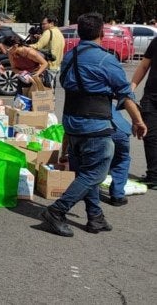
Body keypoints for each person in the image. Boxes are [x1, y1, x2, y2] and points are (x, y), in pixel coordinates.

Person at [40, 13, 147, 237]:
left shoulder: (70, 56)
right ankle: (57, 211)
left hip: (72, 123)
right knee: (95, 175)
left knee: (85, 172)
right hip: (94, 125)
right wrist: (138, 121)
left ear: (79, 32)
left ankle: (95, 216)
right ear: (102, 33)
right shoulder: (105, 60)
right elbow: (125, 95)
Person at [130, 36, 157, 188]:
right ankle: (153, 176)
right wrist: (132, 86)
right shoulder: (156, 41)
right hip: (151, 97)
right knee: (150, 136)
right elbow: (144, 66)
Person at [104, 103, 132, 206]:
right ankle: (117, 195)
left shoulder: (75, 92)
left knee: (91, 162)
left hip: (95, 129)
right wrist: (138, 122)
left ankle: (88, 194)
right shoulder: (108, 89)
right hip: (118, 129)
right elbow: (128, 100)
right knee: (121, 160)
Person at [32, 15, 65, 80]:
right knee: (52, 87)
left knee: (47, 88)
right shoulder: (59, 32)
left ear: (51, 23)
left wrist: (25, 46)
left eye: (44, 24)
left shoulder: (48, 32)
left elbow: (38, 46)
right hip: (56, 65)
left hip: (49, 65)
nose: (42, 26)